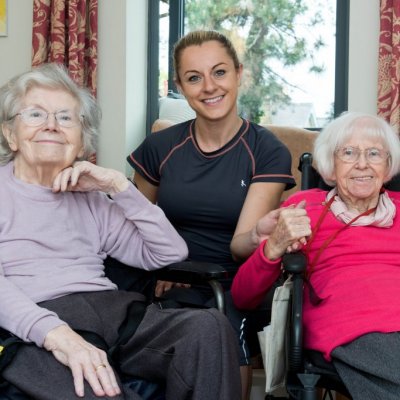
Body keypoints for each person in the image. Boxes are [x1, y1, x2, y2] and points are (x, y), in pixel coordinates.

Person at [0, 62, 241, 400]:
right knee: (98, 389)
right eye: (36, 115)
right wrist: (57, 333)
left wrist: (120, 187)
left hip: (115, 312)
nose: (52, 126)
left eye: (66, 118)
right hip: (33, 320)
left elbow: (169, 253)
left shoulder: (94, 198)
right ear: (11, 134)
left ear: (82, 141)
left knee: (208, 328)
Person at [127, 30, 295, 399]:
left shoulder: (267, 151)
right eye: (193, 77)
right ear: (180, 86)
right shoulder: (160, 147)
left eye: (219, 72)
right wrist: (162, 266)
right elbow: (133, 223)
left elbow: (241, 247)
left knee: (223, 324)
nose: (208, 87)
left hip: (240, 281)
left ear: (238, 73)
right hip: (171, 276)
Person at [231, 111, 400, 400]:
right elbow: (242, 296)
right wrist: (274, 247)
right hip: (352, 325)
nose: (362, 163)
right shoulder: (304, 209)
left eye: (373, 153)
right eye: (348, 152)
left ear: (387, 166)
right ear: (330, 167)